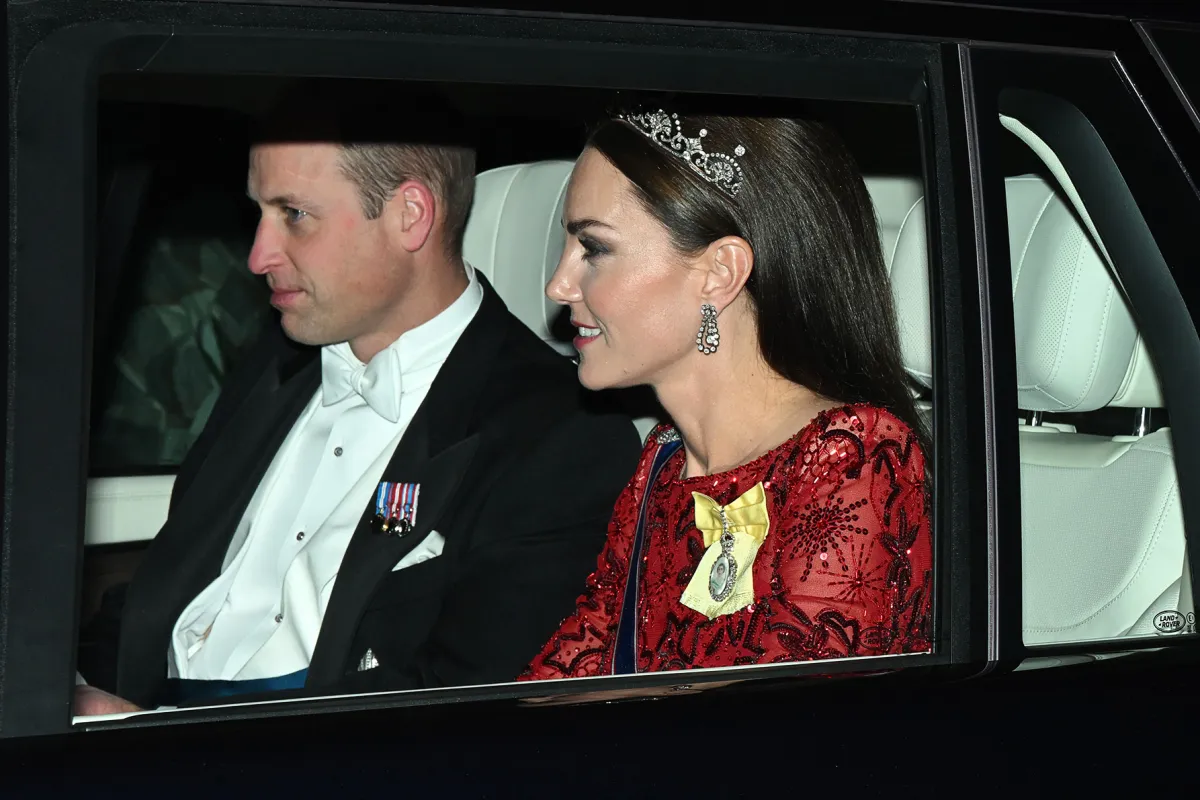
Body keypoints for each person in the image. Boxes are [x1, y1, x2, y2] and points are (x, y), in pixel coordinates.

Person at [74, 82, 643, 715]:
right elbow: (169, 578)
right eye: (259, 213)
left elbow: (459, 707)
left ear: (410, 216)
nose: (258, 256)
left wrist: (154, 733)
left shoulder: (558, 435)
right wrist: (64, 690)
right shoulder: (275, 364)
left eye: (295, 215)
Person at [520, 108, 933, 680]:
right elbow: (571, 673)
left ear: (720, 272)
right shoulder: (663, 462)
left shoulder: (851, 457)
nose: (558, 285)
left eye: (594, 248)